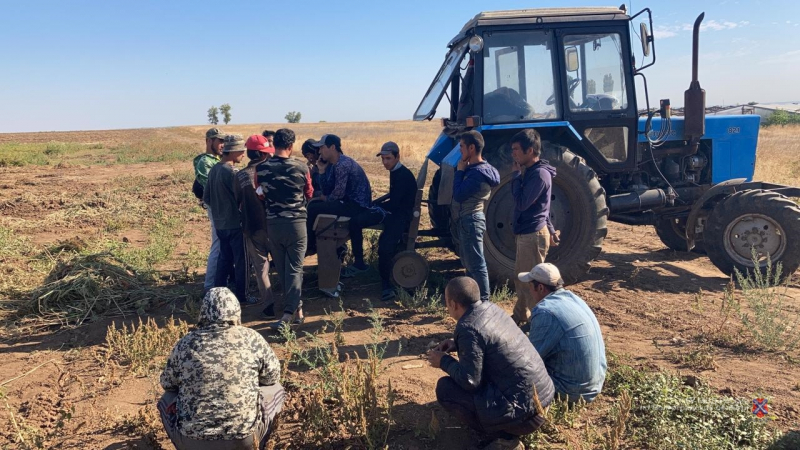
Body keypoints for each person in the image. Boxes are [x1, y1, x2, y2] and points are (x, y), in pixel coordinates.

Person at [428, 277, 554, 450]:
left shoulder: (467, 327)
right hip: (543, 401)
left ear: (453, 304)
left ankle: (504, 438)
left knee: (445, 389)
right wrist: (457, 344)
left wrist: (443, 361)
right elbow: (491, 341)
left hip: (524, 418)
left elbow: (470, 381)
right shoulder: (491, 309)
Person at [158, 287, 285, 450]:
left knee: (167, 398)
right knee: (276, 389)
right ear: (236, 311)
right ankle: (258, 444)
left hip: (192, 442)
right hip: (244, 440)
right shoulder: (252, 338)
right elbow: (272, 377)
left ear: (203, 312)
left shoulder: (185, 343)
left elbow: (167, 383)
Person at [519, 263, 607, 404]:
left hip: (571, 391)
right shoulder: (574, 299)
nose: (529, 290)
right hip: (594, 386)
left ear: (540, 287)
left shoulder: (545, 312)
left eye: (530, 286)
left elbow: (528, 361)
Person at [341, 142, 418, 302]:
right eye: (383, 159)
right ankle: (359, 263)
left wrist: (377, 207)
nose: (385, 162)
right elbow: (392, 197)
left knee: (384, 248)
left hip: (399, 217)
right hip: (393, 213)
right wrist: (375, 204)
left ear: (397, 157)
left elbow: (395, 204)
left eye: (388, 158)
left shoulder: (402, 175)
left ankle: (387, 286)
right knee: (355, 221)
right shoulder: (395, 171)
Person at [256, 128, 313, 327]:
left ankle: (297, 311)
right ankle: (290, 313)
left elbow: (260, 194)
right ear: (291, 145)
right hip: (296, 224)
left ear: (274, 144)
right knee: (295, 269)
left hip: (273, 224)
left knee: (282, 269)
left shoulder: (261, 169)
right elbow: (309, 193)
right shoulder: (302, 167)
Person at [509, 129, 559, 325]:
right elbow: (543, 208)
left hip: (532, 235)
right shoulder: (532, 172)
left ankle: (536, 323)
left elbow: (522, 203)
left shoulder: (538, 175)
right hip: (529, 234)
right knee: (523, 279)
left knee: (531, 283)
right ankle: (521, 316)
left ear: (530, 150)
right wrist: (552, 230)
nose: (513, 154)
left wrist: (515, 176)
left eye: (516, 149)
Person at [305, 134, 372, 259]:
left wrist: (326, 199)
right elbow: (326, 190)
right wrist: (321, 170)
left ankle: (310, 245)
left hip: (356, 206)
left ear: (332, 147)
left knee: (313, 208)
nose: (319, 152)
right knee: (313, 205)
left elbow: (338, 193)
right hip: (347, 203)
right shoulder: (334, 164)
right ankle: (312, 243)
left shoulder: (342, 164)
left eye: (322, 147)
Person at [452, 131, 500, 303]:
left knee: (477, 265)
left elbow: (458, 194)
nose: (460, 151)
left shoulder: (476, 174)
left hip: (470, 220)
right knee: (471, 264)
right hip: (471, 220)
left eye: (462, 147)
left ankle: (484, 302)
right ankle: (473, 301)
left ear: (471, 148)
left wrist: (459, 172)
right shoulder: (485, 169)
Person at [204, 134, 249, 304]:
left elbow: (206, 198)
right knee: (241, 261)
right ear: (233, 151)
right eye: (241, 151)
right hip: (235, 225)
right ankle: (242, 296)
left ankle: (217, 295)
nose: (243, 154)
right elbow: (243, 199)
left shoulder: (214, 169)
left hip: (220, 225)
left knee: (224, 260)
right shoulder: (233, 173)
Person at [234, 134, 274, 309]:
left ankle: (268, 305)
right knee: (284, 265)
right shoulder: (272, 172)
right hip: (274, 225)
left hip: (252, 227)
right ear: (263, 154)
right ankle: (292, 305)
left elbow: (237, 200)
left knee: (261, 268)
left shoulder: (240, 175)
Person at [194, 127, 227, 294]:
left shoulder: (217, 159)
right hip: (217, 207)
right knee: (218, 244)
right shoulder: (205, 162)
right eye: (219, 141)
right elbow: (211, 186)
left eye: (224, 141)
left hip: (224, 207)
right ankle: (210, 286)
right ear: (209, 141)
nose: (222, 144)